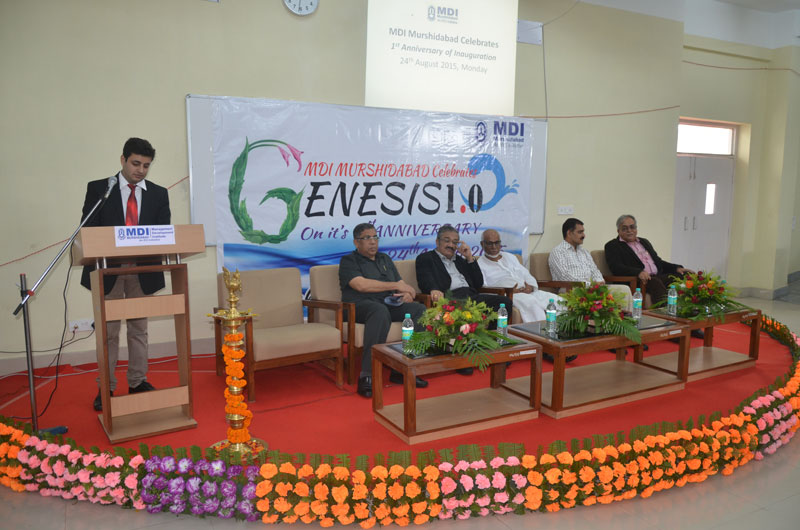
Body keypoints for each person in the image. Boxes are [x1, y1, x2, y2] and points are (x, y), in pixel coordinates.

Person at [80, 138, 170, 411]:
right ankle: (105, 387)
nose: (140, 170)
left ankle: (137, 381)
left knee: (139, 329)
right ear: (123, 160)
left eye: (146, 165)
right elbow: (88, 230)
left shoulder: (158, 194)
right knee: (108, 332)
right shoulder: (100, 189)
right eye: (135, 163)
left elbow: (163, 233)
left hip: (142, 270)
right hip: (108, 269)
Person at [339, 223, 427, 398]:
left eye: (375, 237)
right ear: (356, 242)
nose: (373, 242)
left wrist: (406, 294)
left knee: (419, 309)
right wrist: (395, 286)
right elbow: (361, 285)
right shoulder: (349, 260)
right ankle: (367, 375)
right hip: (357, 306)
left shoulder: (384, 259)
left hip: (387, 304)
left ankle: (404, 367)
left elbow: (400, 284)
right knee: (379, 311)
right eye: (367, 238)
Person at [416, 225, 513, 375]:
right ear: (437, 242)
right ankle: (462, 357)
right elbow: (425, 281)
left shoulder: (461, 261)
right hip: (450, 297)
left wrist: (469, 258)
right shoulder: (426, 258)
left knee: (504, 303)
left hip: (471, 296)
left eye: (455, 242)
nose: (451, 245)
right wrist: (433, 289)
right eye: (447, 240)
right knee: (461, 308)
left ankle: (493, 346)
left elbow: (478, 283)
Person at [478, 229, 563, 322]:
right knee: (531, 303)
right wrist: (509, 291)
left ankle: (564, 330)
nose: (494, 247)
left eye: (497, 243)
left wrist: (530, 287)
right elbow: (484, 290)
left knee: (559, 301)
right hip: (510, 295)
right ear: (482, 244)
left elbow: (526, 274)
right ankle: (539, 330)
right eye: (490, 243)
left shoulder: (510, 257)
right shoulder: (479, 265)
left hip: (528, 291)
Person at [604, 214, 693, 304]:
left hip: (656, 276)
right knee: (654, 282)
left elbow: (658, 262)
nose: (629, 230)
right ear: (618, 231)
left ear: (636, 229)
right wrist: (638, 272)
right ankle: (664, 311)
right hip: (637, 281)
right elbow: (616, 267)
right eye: (624, 228)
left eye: (632, 227)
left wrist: (676, 268)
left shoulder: (644, 242)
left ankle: (690, 306)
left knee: (686, 275)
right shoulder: (613, 245)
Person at [548, 218, 605, 285]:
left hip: (591, 288)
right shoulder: (558, 252)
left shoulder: (584, 252)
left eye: (583, 232)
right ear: (569, 233)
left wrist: (600, 282)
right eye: (580, 232)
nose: (584, 235)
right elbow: (565, 277)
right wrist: (590, 285)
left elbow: (595, 271)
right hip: (570, 289)